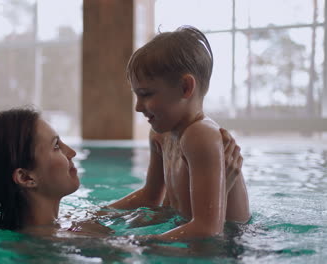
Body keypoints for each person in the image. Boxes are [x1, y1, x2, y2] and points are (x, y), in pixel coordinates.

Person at [0, 107, 244, 236]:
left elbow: (149, 200)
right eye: (56, 146)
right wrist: (223, 190)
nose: (72, 152)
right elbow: (203, 251)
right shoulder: (63, 242)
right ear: (26, 177)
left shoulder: (67, 223)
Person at [107, 25, 250, 241]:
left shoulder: (201, 135)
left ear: (185, 88)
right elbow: (150, 195)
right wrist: (98, 216)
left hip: (234, 243)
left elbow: (208, 230)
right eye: (136, 95)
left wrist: (138, 243)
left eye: (145, 94)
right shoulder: (160, 135)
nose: (138, 107)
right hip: (194, 233)